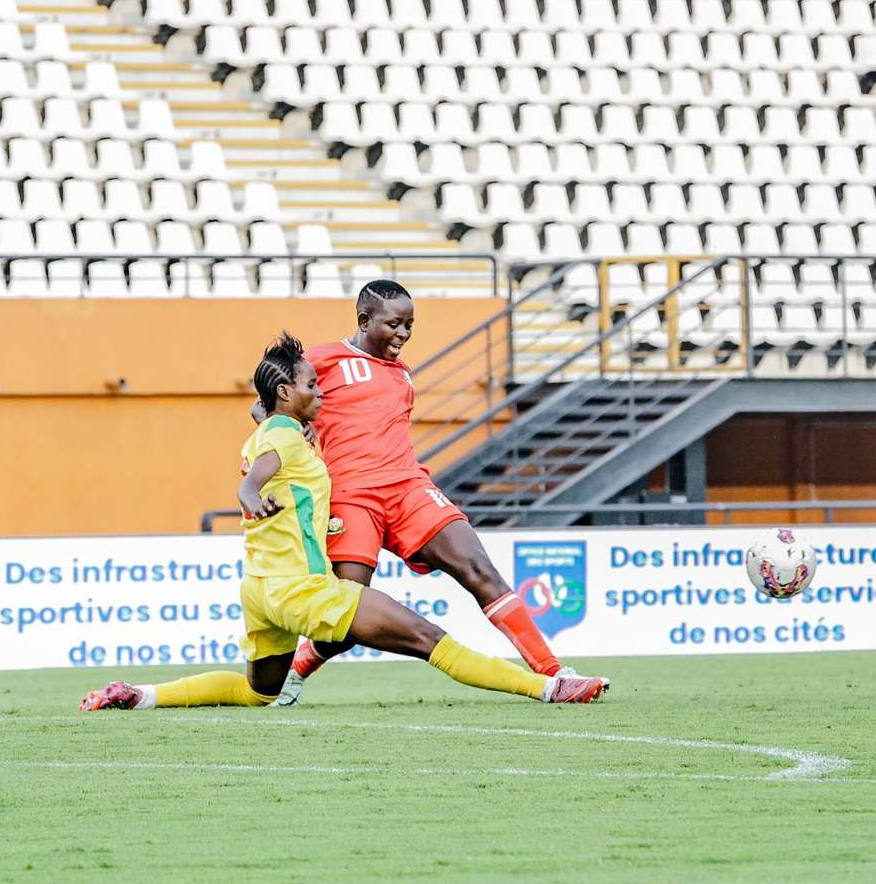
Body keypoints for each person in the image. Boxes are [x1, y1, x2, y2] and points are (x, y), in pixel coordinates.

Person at [80, 333, 607, 711]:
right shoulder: (284, 438)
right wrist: (250, 495)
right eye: (313, 385)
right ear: (285, 394)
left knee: (256, 693)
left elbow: (265, 452)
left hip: (261, 591)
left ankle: (141, 695)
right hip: (304, 591)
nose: (323, 393)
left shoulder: (273, 431)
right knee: (428, 638)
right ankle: (546, 687)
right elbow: (255, 478)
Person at [260, 280, 609, 706]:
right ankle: (297, 669)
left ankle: (554, 674)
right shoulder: (324, 359)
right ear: (364, 320)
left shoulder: (403, 374)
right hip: (351, 497)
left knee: (477, 567)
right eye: (394, 324)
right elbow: (264, 404)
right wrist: (293, 425)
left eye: (409, 324)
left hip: (409, 489)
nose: (404, 333)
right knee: (347, 613)